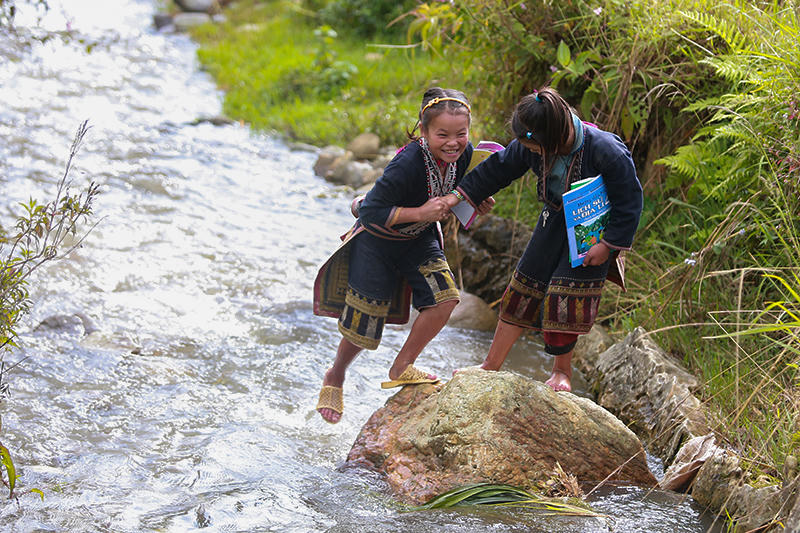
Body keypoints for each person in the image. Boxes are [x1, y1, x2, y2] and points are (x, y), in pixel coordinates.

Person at [313, 87, 495, 423]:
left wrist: (475, 201)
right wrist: (422, 212)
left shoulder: (465, 153)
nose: (453, 143)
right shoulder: (407, 162)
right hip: (378, 242)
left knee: (446, 299)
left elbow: (461, 189)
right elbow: (370, 213)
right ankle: (335, 373)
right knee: (363, 326)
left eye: (461, 133)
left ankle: (402, 366)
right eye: (442, 134)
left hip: (418, 239)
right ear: (424, 132)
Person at [443, 87, 643, 392]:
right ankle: (490, 365)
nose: (530, 153)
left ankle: (562, 372)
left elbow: (630, 199)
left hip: (592, 232)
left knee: (566, 297)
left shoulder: (605, 149)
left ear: (551, 141)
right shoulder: (532, 141)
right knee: (523, 285)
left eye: (534, 150)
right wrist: (462, 196)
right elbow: (499, 169)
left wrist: (608, 245)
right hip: (553, 220)